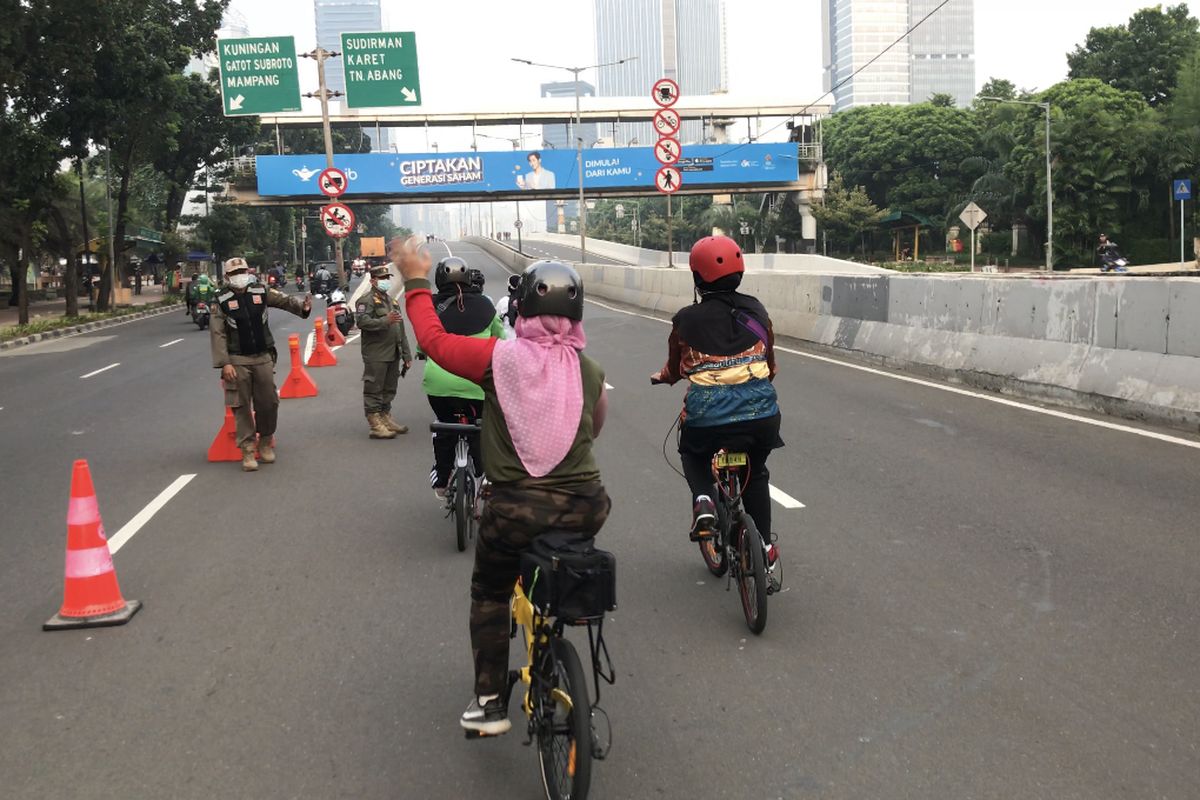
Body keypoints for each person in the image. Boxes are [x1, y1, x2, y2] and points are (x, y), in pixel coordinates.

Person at [395, 237, 610, 735]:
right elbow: (592, 428)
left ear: (523, 310)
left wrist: (414, 281)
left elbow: (435, 342)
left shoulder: (501, 360)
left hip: (515, 508)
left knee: (490, 591)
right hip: (586, 504)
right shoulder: (589, 369)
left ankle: (490, 701)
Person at [650, 235, 783, 569]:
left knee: (692, 454)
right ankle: (765, 549)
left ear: (697, 277)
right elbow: (770, 365)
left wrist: (664, 377)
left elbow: (677, 365)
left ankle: (705, 500)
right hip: (762, 415)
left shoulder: (685, 320)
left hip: (707, 417)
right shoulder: (757, 310)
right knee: (757, 472)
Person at [210, 257, 312, 472]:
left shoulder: (260, 291)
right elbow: (217, 333)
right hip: (237, 358)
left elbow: (284, 301)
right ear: (227, 277)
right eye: (235, 272)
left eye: (243, 270)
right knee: (241, 405)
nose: (240, 275)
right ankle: (247, 449)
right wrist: (224, 363)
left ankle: (265, 440)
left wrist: (302, 307)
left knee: (269, 401)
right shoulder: (220, 300)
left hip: (263, 355)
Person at [421, 257, 504, 498]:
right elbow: (503, 341)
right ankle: (486, 474)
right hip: (478, 383)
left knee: (443, 423)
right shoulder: (486, 306)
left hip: (439, 387)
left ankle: (442, 476)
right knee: (485, 426)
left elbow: (423, 344)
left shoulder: (432, 308)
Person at [355, 262, 413, 439]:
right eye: (382, 278)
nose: (386, 281)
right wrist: (384, 321)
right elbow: (362, 322)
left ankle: (385, 417)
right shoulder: (366, 301)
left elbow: (400, 329)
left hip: (393, 352)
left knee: (389, 387)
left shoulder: (392, 301)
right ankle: (375, 423)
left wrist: (406, 353)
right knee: (374, 387)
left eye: (387, 278)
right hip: (376, 353)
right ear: (373, 281)